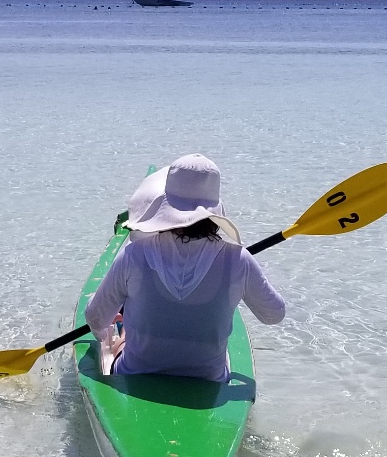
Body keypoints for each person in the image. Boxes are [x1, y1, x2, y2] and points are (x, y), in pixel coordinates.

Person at [84, 155, 285, 381]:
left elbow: (95, 317)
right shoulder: (239, 259)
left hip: (136, 373)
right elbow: (274, 315)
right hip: (208, 379)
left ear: (165, 204)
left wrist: (108, 333)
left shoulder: (133, 254)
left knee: (124, 332)